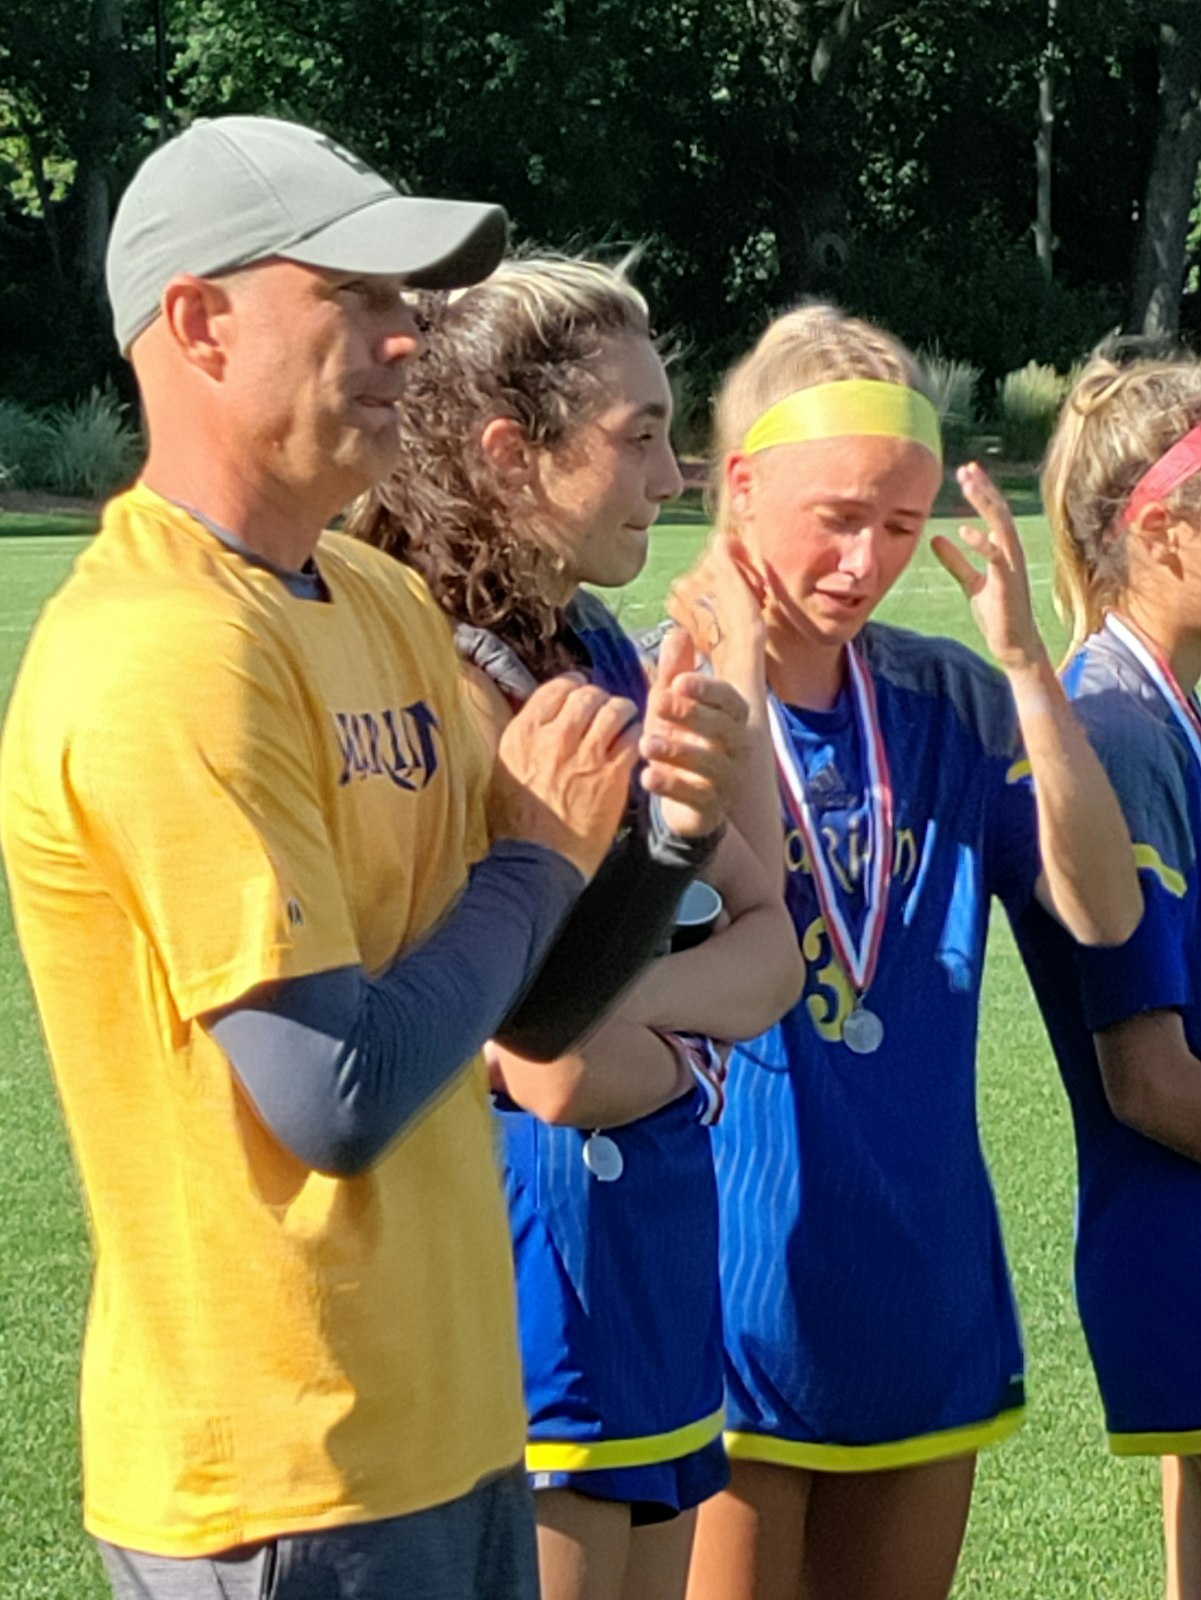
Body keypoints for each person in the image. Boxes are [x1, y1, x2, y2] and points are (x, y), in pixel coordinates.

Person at [0, 118, 744, 1600]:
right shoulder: (167, 650)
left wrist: (664, 829)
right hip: (284, 1481)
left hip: (450, 1428)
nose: (411, 341)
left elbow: (528, 1012)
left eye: (411, 305)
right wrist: (537, 859)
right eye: (357, 297)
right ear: (199, 323)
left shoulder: (374, 601)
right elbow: (328, 1096)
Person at [658, 303, 1143, 1600]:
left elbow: (1102, 912)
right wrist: (741, 676)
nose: (866, 559)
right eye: (837, 516)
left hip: (920, 1286)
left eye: (897, 522)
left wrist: (1030, 666)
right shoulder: (661, 692)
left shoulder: (946, 697)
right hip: (726, 1297)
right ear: (741, 486)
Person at [350, 256, 803, 1600]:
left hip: (653, 1254)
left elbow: (777, 934)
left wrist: (637, 1026)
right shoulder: (441, 684)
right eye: (640, 436)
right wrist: (687, 1034)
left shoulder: (601, 647)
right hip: (516, 1278)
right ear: (509, 453)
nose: (672, 478)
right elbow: (548, 1071)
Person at [1015, 352, 1201, 1600]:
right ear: (1162, 527)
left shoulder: (1158, 706)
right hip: (1172, 1229)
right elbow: (1146, 1077)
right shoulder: (1117, 729)